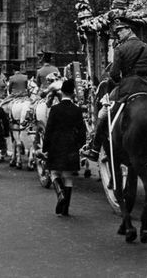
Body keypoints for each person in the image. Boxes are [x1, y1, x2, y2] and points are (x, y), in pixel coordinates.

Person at [82, 18, 147, 161]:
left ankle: (94, 149)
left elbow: (113, 74)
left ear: (129, 30)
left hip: (127, 88)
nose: (117, 34)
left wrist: (122, 82)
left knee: (104, 114)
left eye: (120, 30)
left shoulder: (120, 49)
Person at [41, 78, 87, 216]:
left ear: (61, 92)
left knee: (54, 172)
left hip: (56, 144)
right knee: (68, 176)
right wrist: (80, 145)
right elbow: (82, 130)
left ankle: (60, 193)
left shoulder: (54, 109)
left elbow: (48, 129)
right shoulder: (77, 110)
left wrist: (45, 147)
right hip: (71, 145)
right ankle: (65, 209)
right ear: (73, 93)